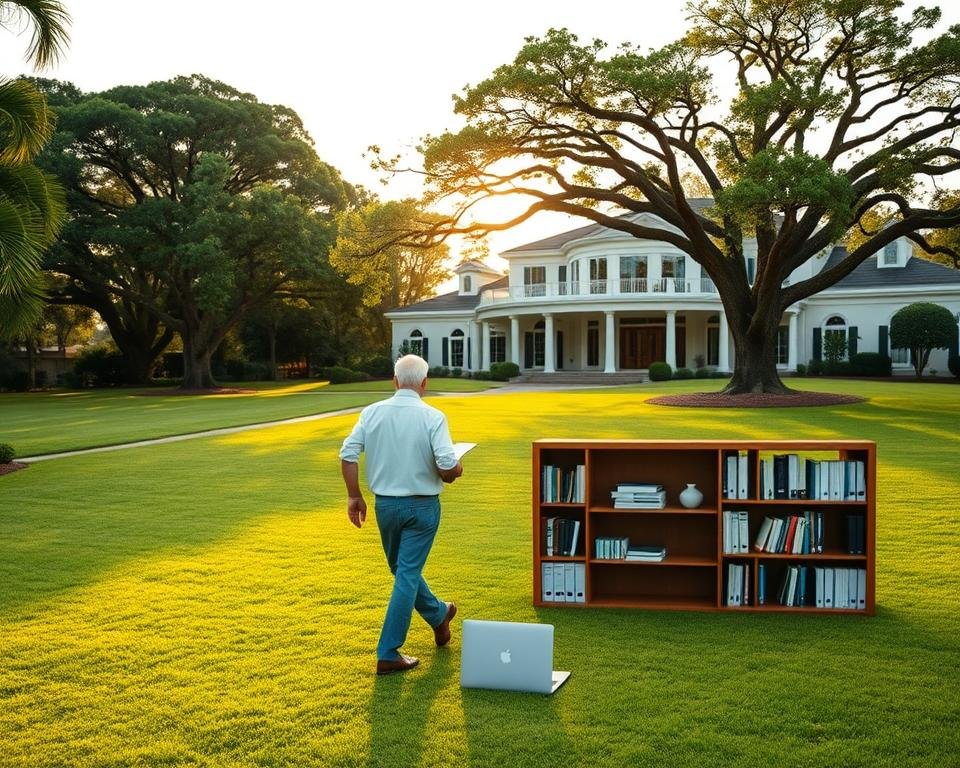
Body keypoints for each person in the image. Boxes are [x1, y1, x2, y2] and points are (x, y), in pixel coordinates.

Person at [339, 354, 463, 675]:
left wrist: (354, 495)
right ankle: (389, 652)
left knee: (402, 571)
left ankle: (439, 615)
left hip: (385, 507)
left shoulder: (371, 413)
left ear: (394, 381)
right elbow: (448, 468)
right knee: (405, 573)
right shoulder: (433, 416)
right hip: (422, 507)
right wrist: (456, 469)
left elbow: (348, 454)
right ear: (425, 383)